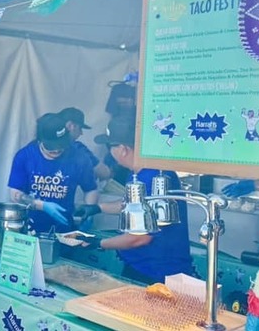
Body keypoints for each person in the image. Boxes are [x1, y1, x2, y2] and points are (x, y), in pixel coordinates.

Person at [74, 114, 192, 284]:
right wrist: (97, 208)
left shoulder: (155, 178)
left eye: (109, 146)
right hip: (140, 266)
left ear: (123, 149)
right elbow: (132, 205)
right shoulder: (138, 173)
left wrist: (99, 243)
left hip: (159, 275)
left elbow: (141, 237)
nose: (109, 152)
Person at [8, 113, 98, 234]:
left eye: (61, 145)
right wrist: (41, 205)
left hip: (64, 228)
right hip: (29, 228)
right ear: (40, 140)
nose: (57, 150)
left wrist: (89, 212)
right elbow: (15, 193)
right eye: (51, 147)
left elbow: (90, 189)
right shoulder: (25, 156)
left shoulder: (79, 157)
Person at [57, 107, 111, 180]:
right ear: (71, 126)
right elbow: (104, 173)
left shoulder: (39, 145)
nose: (81, 133)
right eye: (80, 128)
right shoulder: (77, 148)